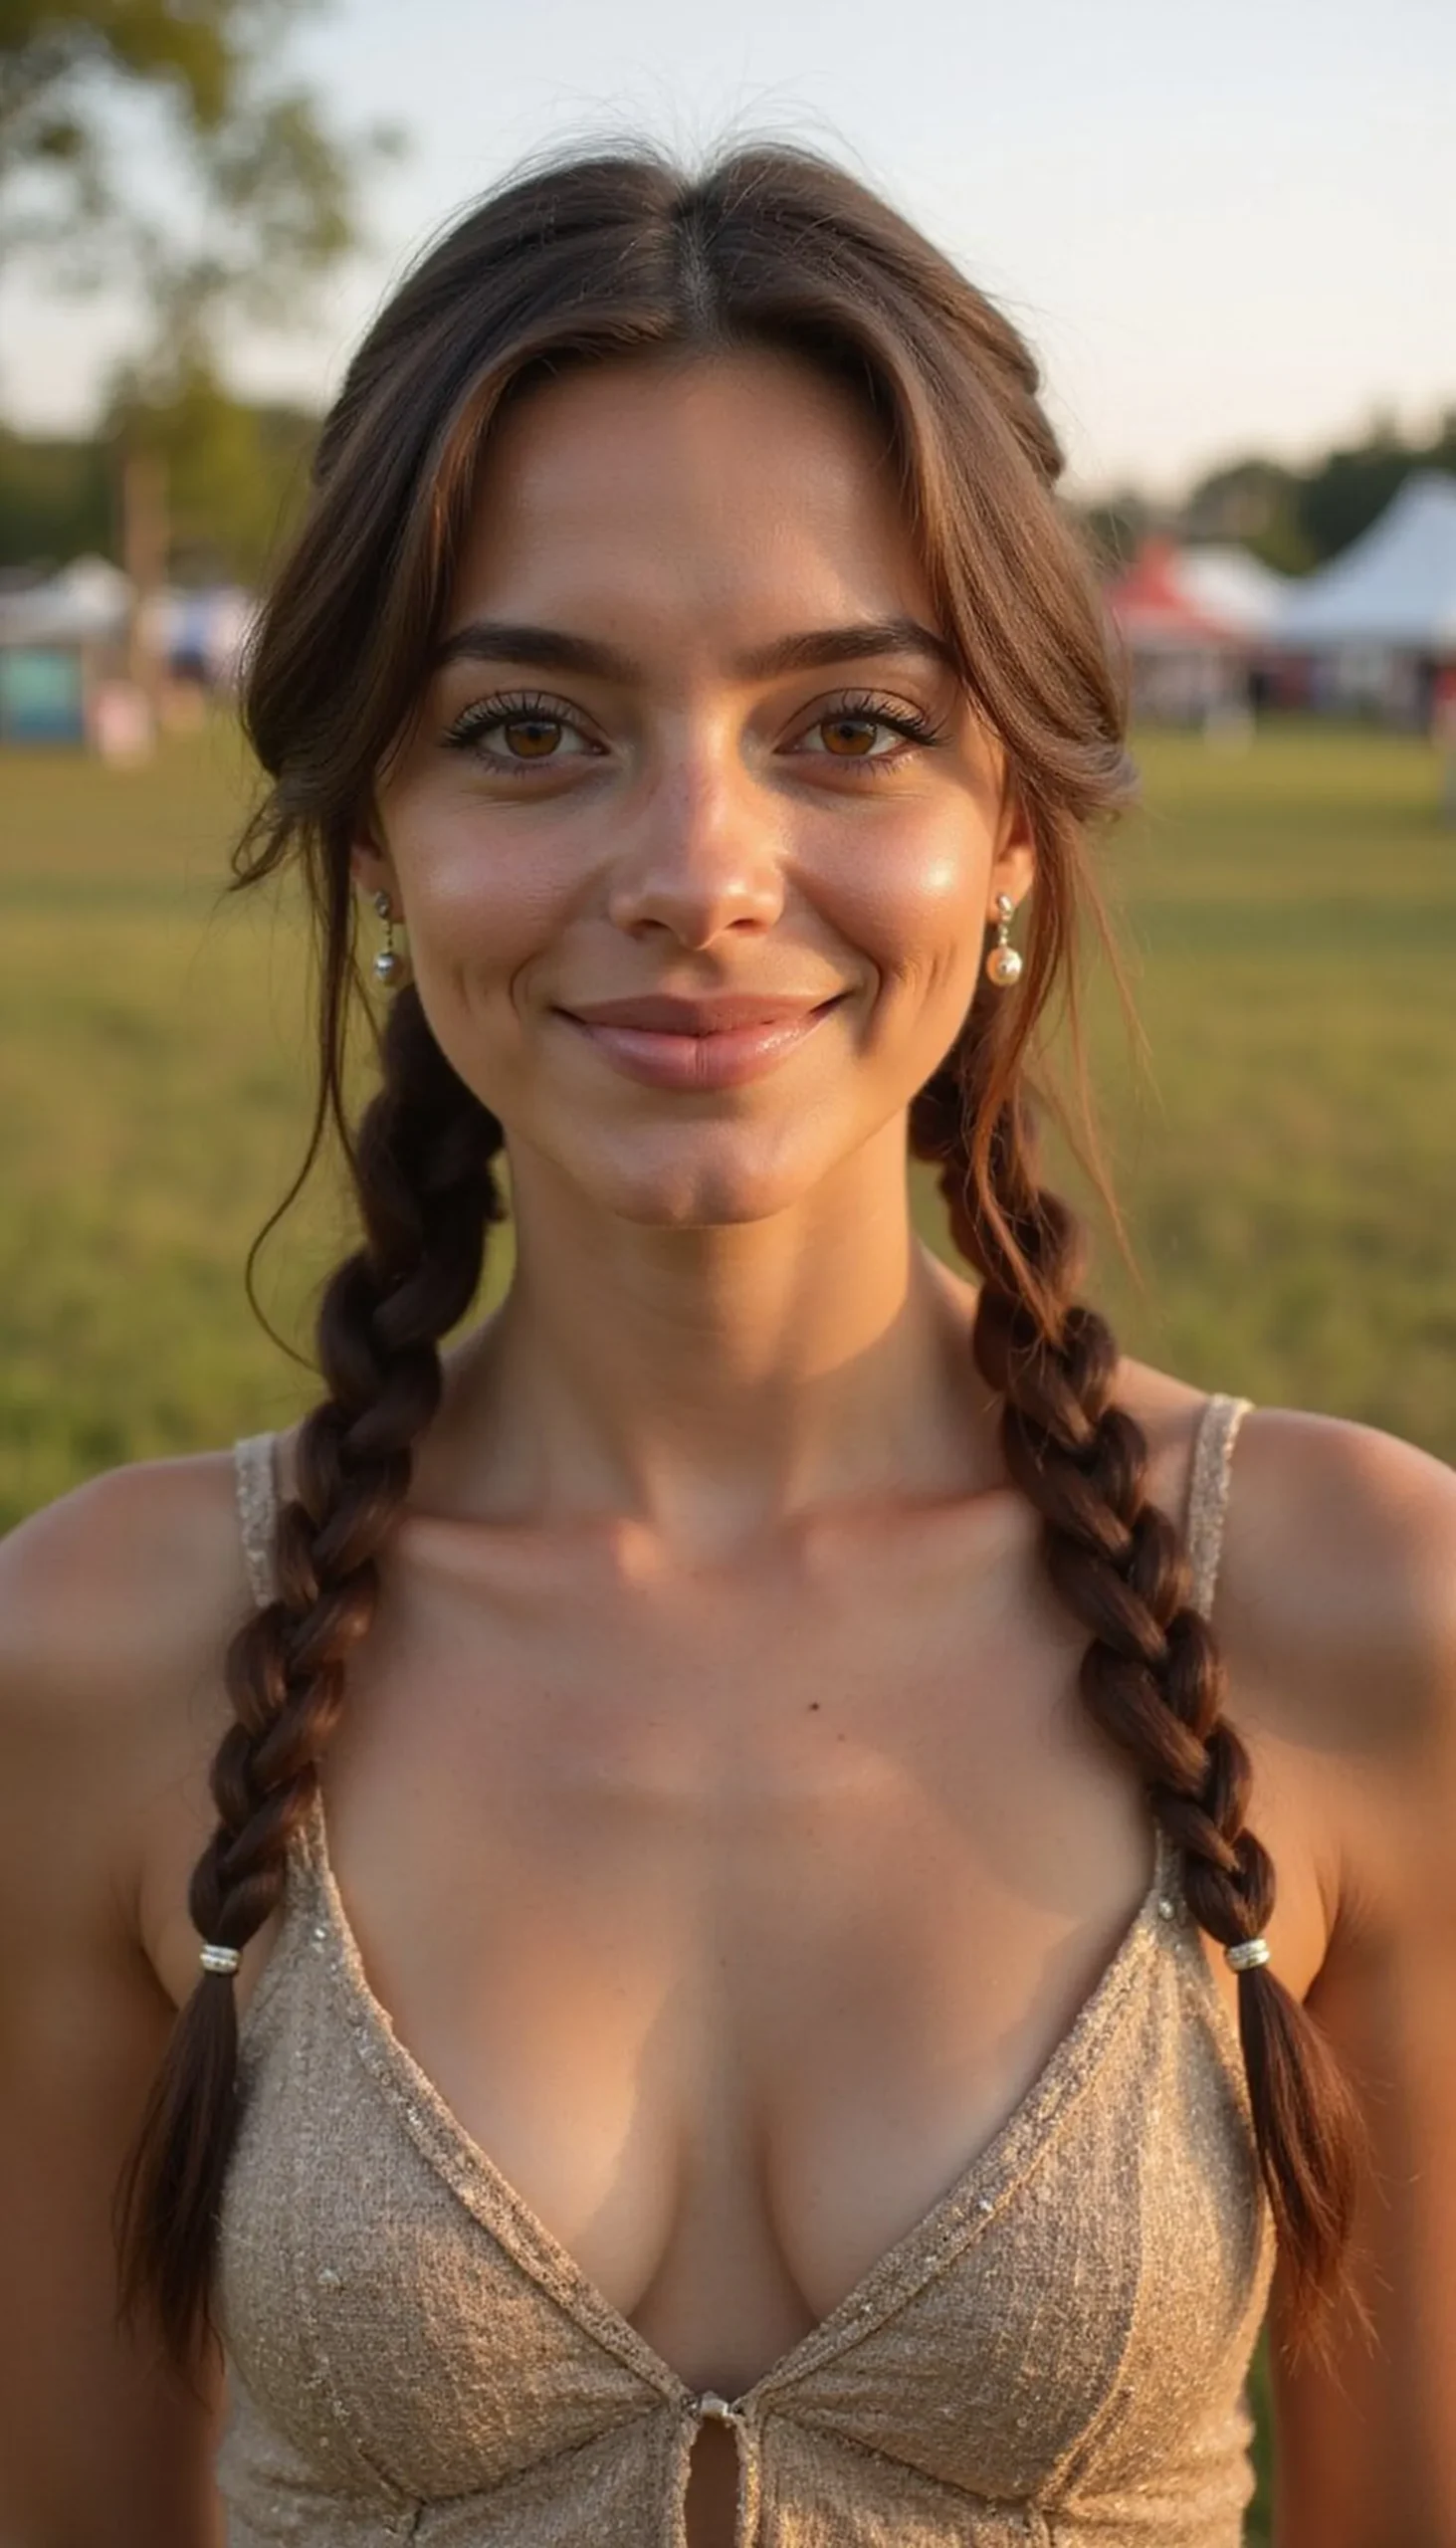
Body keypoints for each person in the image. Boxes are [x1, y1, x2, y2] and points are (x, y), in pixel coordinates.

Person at [2, 143, 1453, 2548]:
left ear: (1012, 826)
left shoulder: (1358, 1610)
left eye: (851, 723)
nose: (693, 866)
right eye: (529, 731)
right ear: (376, 835)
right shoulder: (95, 1652)